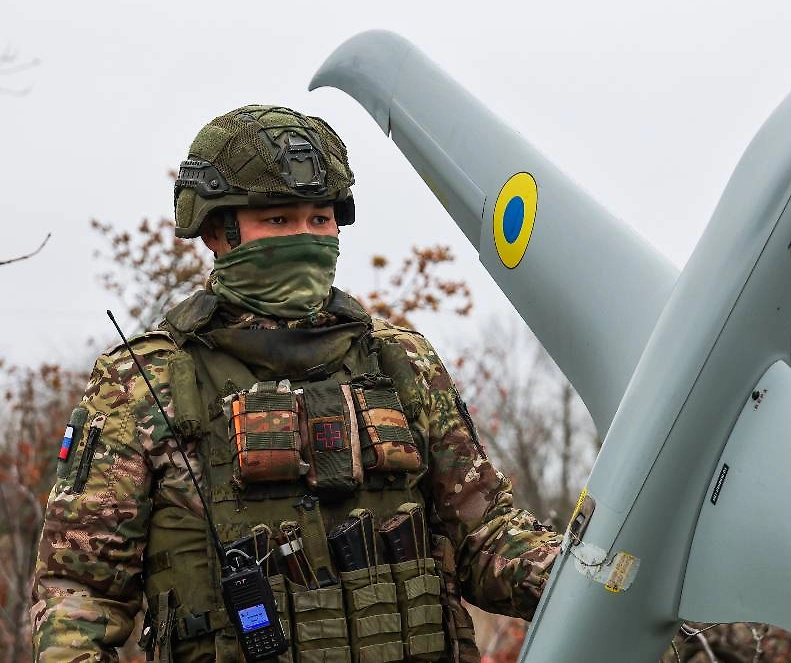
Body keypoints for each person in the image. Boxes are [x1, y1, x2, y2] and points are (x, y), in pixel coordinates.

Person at [31, 104, 562, 662]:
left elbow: (484, 538)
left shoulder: (400, 360)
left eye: (320, 219)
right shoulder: (145, 382)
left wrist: (587, 576)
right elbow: (79, 593)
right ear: (216, 232)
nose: (306, 237)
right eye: (279, 220)